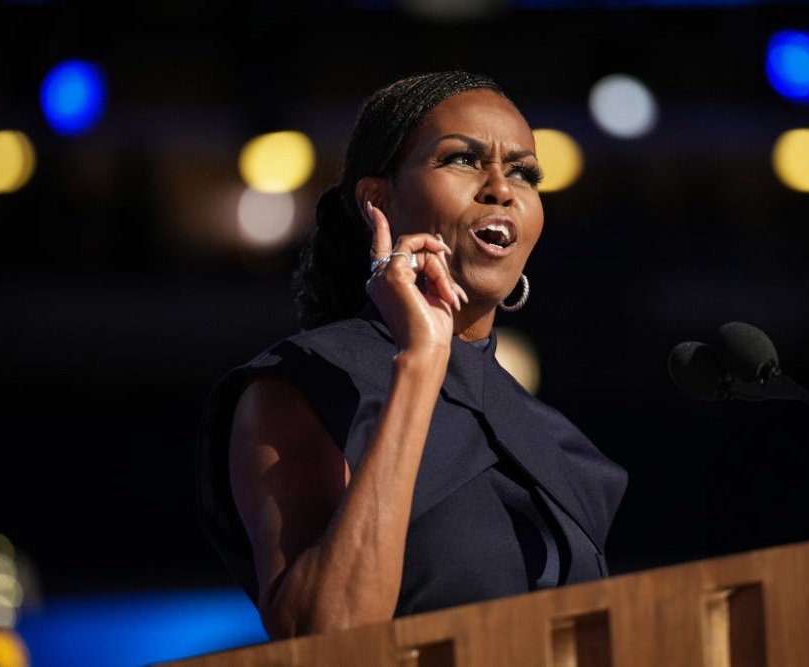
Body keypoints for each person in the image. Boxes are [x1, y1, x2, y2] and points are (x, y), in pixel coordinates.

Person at [196, 70, 628, 640]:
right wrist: (421, 364)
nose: (502, 189)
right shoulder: (305, 386)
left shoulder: (551, 436)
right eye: (463, 160)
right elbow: (324, 632)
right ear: (378, 201)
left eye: (524, 172)